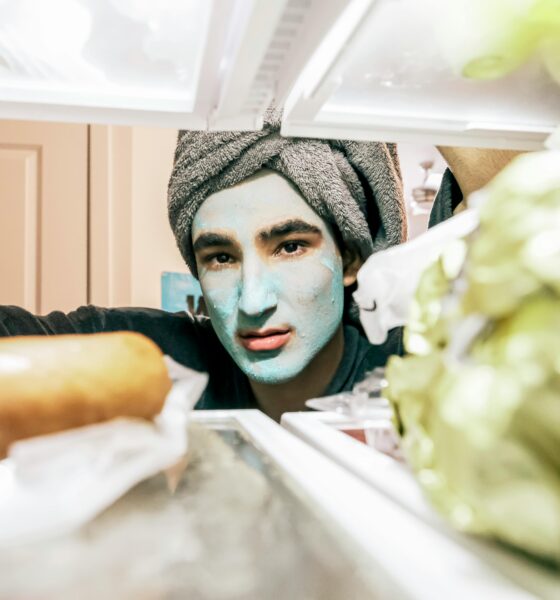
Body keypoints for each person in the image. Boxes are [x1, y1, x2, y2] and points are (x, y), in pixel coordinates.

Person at [0, 110, 520, 421]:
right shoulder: (161, 359)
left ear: (350, 257)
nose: (252, 301)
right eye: (221, 257)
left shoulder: (417, 365)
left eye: (290, 246)